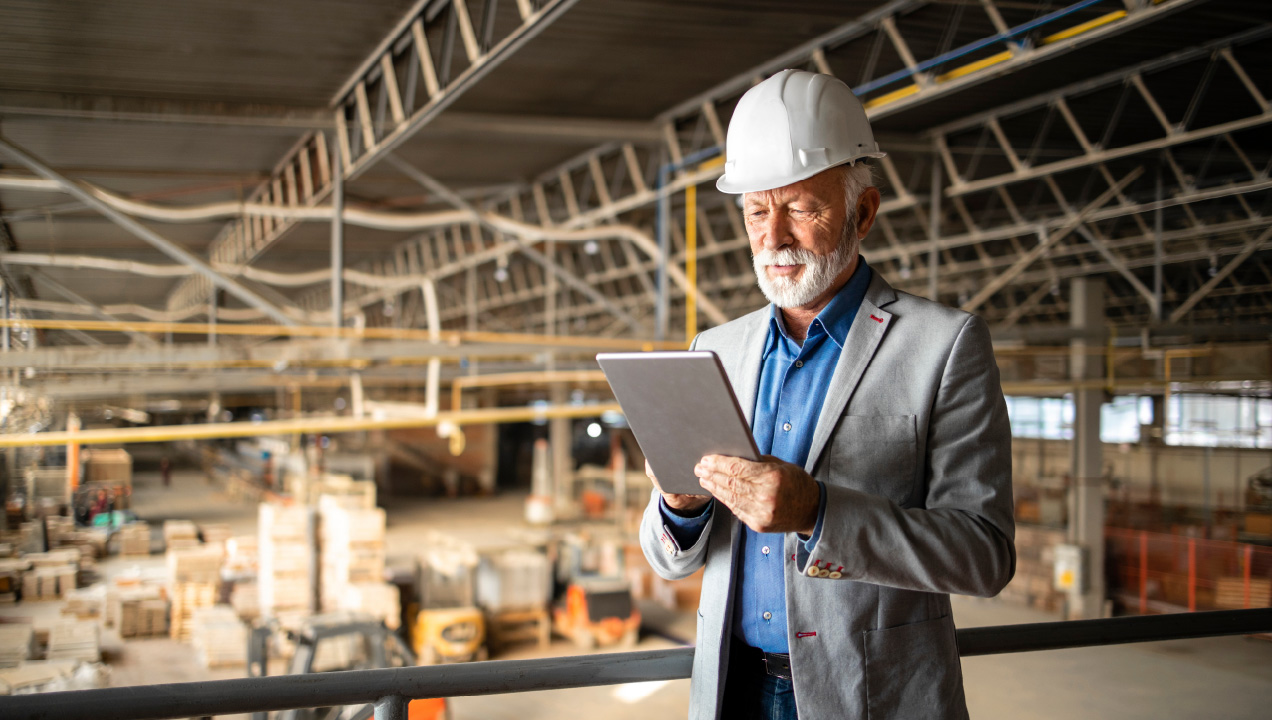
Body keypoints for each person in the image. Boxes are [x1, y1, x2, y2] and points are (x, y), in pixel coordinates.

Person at [639, 70, 1015, 720]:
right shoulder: (715, 348)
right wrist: (679, 506)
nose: (774, 237)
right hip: (733, 692)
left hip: (869, 694)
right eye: (757, 211)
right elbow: (670, 563)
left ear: (862, 212)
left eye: (801, 208)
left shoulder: (944, 345)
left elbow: (984, 556)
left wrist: (820, 513)